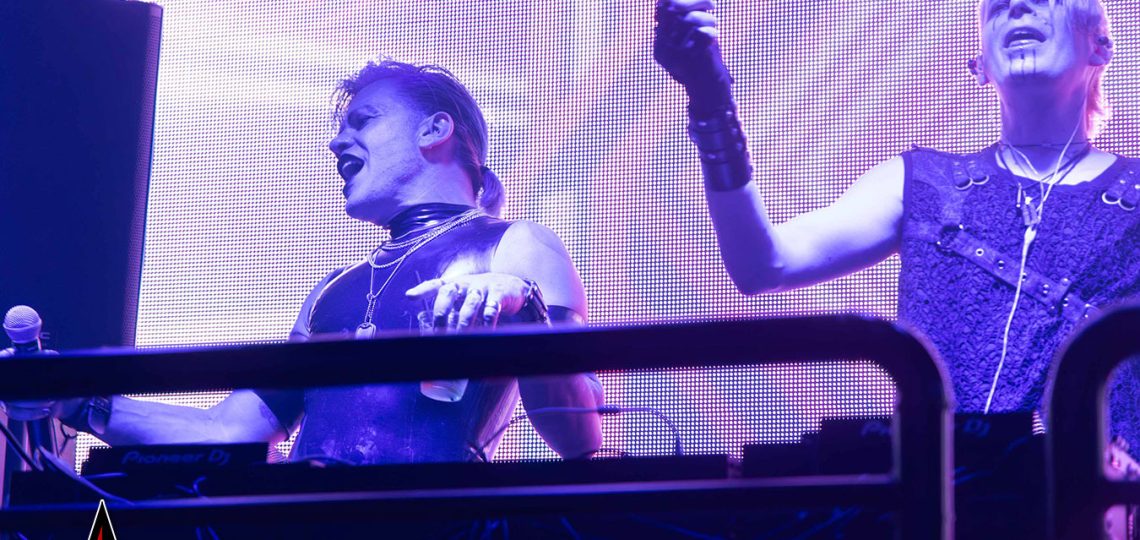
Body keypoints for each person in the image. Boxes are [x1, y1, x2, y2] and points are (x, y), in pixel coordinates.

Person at [657, 0, 1139, 535]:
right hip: (929, 513)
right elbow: (762, 263)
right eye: (997, 5)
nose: (1017, 4)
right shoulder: (921, 182)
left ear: (1102, 45)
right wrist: (711, 100)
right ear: (979, 63)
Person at [9, 59, 603, 465]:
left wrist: (525, 309)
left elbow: (581, 437)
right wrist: (75, 401)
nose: (337, 143)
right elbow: (231, 429)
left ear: (435, 129)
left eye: (363, 120)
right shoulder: (331, 291)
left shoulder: (518, 244)